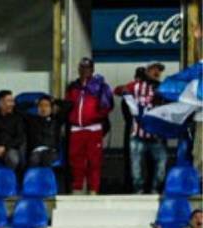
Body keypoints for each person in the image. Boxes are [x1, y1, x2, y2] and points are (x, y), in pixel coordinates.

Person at [114, 62, 169, 195]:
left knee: (161, 166)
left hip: (156, 136)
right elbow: (117, 90)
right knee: (136, 169)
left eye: (159, 70)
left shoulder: (164, 88)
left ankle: (155, 189)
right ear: (147, 71)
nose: (157, 72)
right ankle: (138, 191)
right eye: (154, 69)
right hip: (138, 135)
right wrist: (124, 91)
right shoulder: (136, 86)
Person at [64, 56, 113, 195]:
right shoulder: (73, 87)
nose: (84, 71)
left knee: (94, 161)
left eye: (87, 68)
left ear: (92, 69)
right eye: (82, 68)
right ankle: (78, 188)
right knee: (76, 161)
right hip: (76, 129)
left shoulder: (101, 86)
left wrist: (95, 117)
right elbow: (68, 105)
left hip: (93, 129)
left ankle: (93, 190)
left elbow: (108, 106)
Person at [24, 94, 64, 172]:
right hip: (36, 151)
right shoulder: (31, 119)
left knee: (47, 160)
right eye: (41, 105)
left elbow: (68, 106)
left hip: (51, 150)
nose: (43, 108)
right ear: (37, 108)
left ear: (51, 108)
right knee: (34, 161)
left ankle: (47, 182)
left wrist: (55, 101)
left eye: (46, 106)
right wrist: (33, 103)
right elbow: (18, 109)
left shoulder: (56, 120)